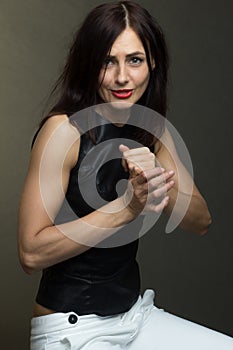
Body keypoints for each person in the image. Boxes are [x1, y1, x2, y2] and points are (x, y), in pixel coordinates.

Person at [17, 1, 233, 349]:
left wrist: (157, 182)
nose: (122, 77)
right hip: (71, 328)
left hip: (134, 317)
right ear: (90, 65)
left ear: (152, 63)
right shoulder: (65, 131)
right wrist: (128, 208)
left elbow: (201, 220)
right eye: (108, 61)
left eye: (134, 60)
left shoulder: (152, 131)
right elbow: (31, 252)